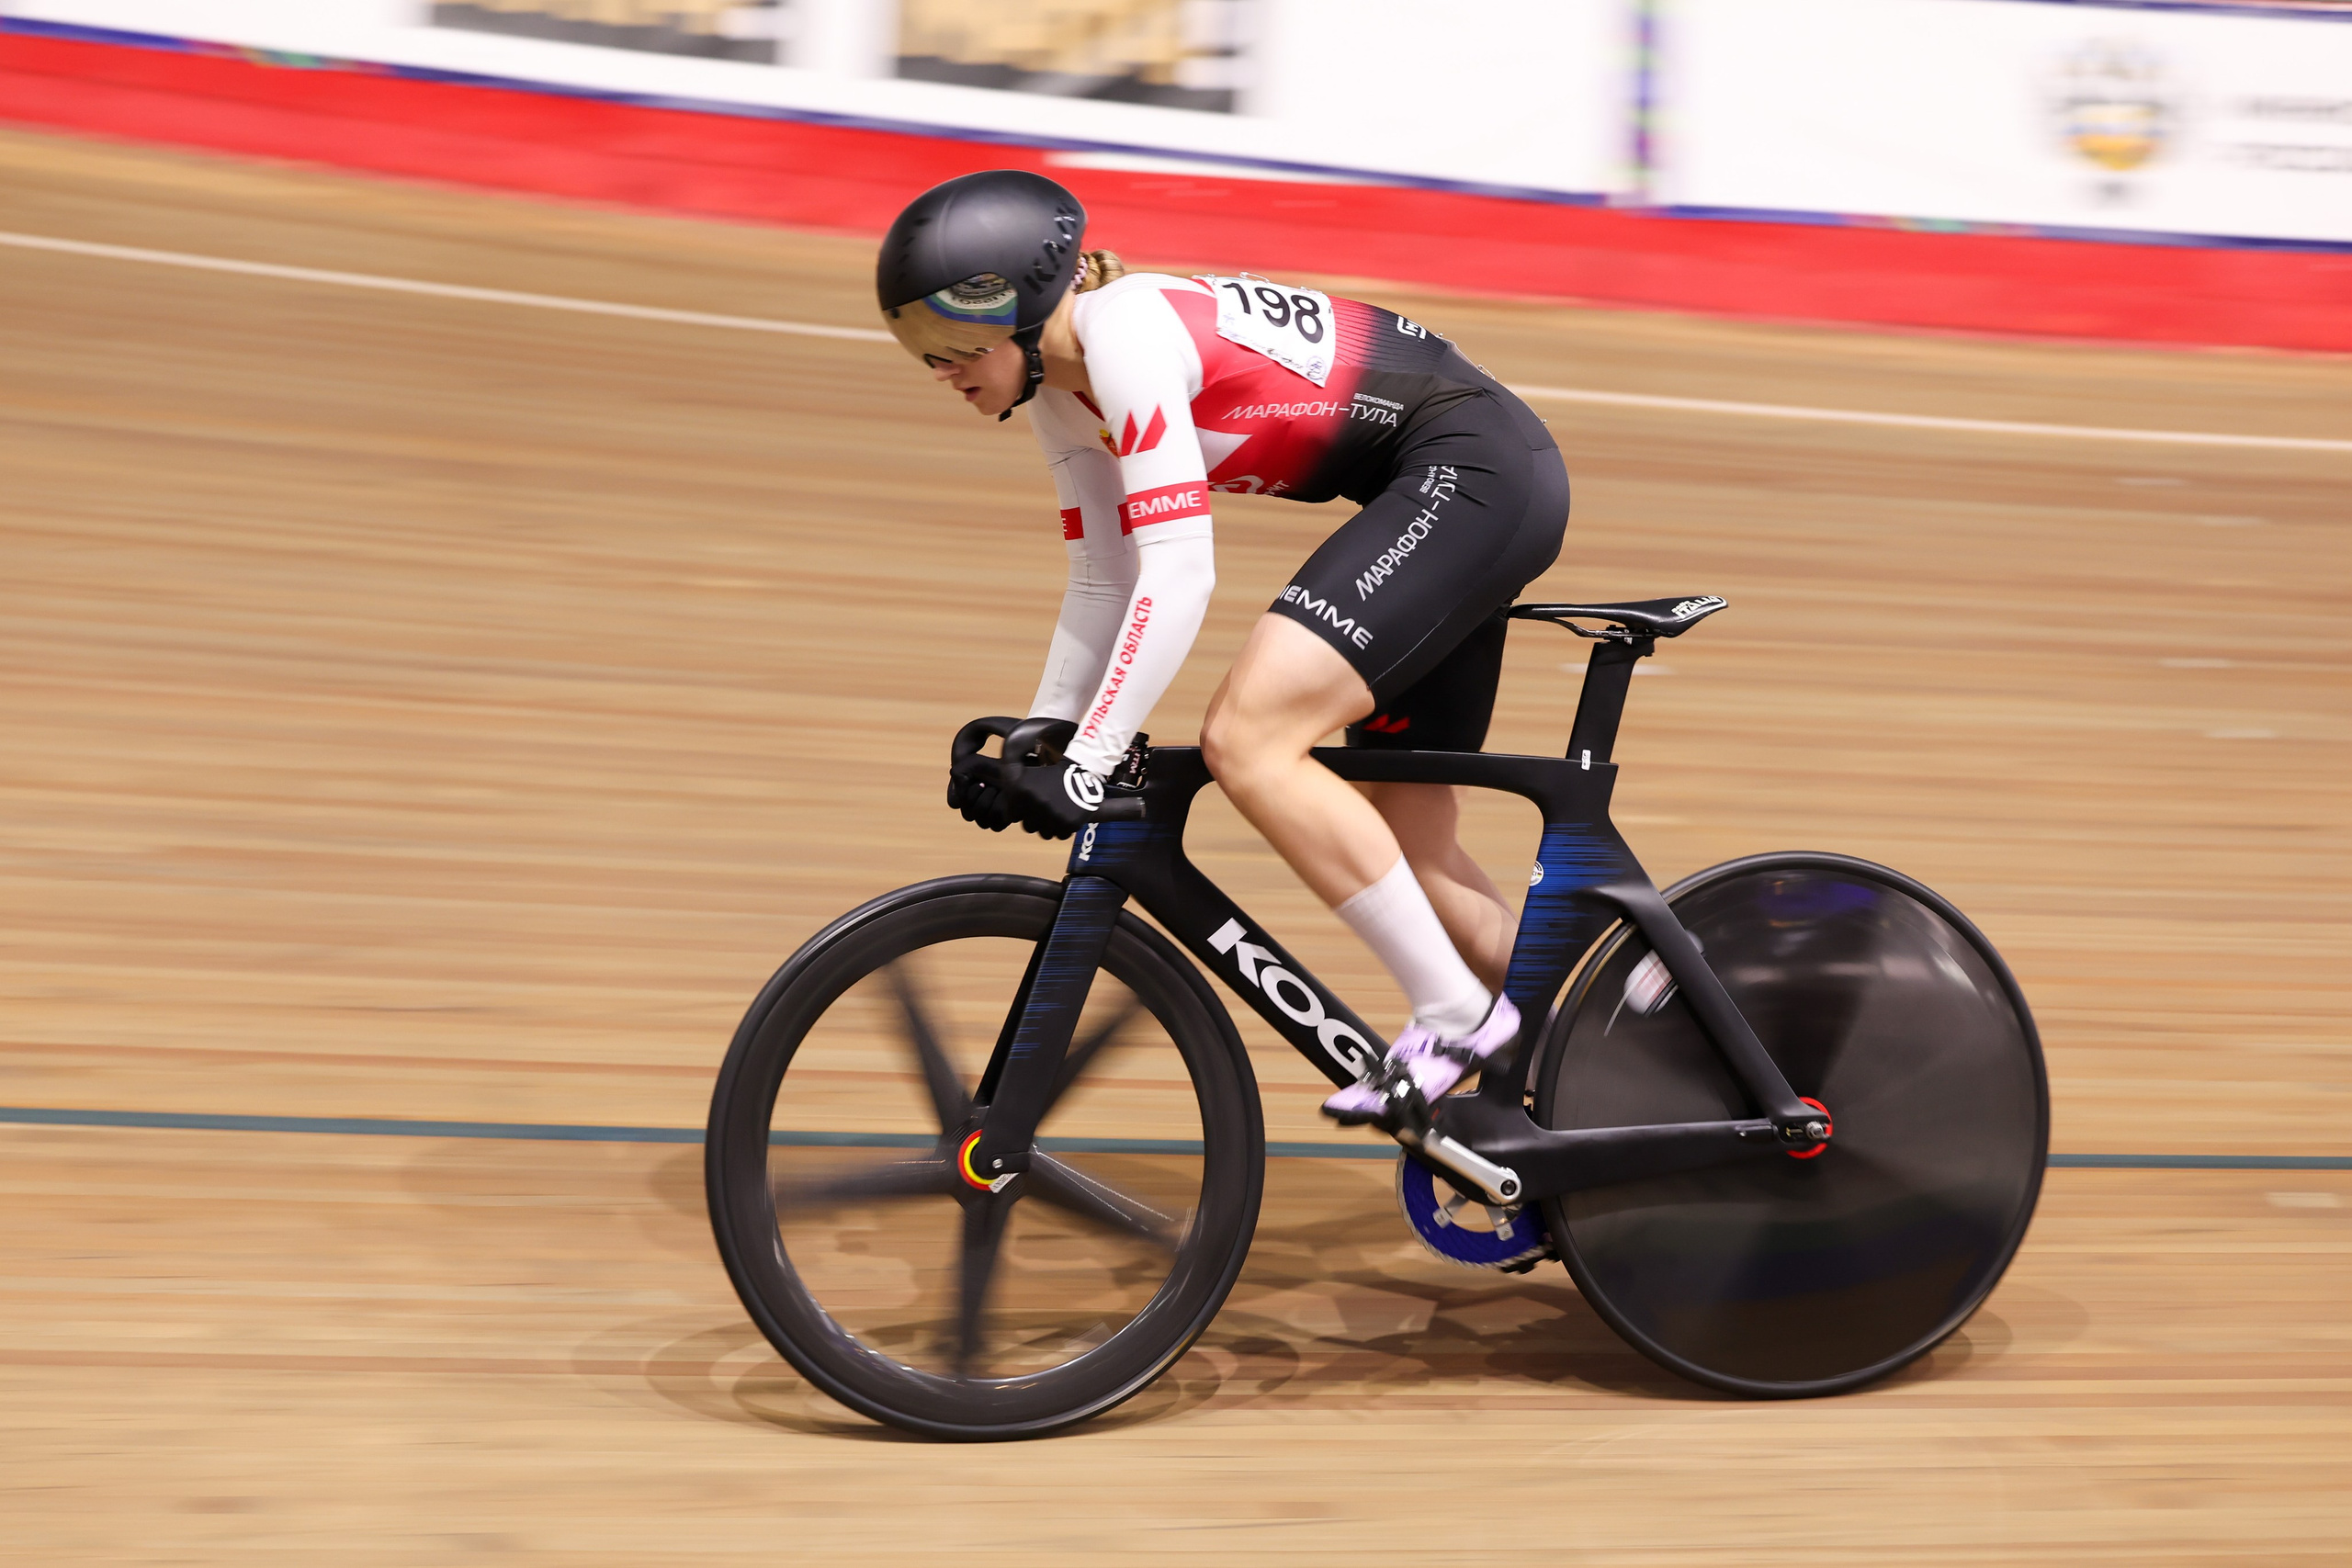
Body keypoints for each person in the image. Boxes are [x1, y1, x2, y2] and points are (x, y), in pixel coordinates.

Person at [877, 170, 1568, 1124]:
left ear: (1026, 305)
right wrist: (1052, 728)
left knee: (1247, 739)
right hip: (1455, 482)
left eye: (951, 346)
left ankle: (1455, 1015)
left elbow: (1177, 574)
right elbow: (1101, 580)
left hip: (1473, 472)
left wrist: (1088, 760)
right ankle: (1628, 1033)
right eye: (920, 352)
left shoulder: (1123, 336)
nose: (942, 370)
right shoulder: (1059, 391)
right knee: (1418, 849)